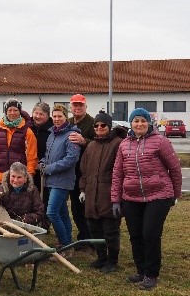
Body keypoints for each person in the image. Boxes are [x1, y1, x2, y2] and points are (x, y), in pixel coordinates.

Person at [111, 108, 182, 290]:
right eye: (136, 121)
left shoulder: (160, 142)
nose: (139, 124)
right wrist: (116, 200)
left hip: (158, 195)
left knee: (150, 234)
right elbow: (118, 174)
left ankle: (151, 274)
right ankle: (141, 270)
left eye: (143, 120)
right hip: (131, 197)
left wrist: (176, 194)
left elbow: (174, 169)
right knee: (135, 235)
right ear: (131, 123)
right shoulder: (124, 145)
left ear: (149, 123)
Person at [79, 111, 127, 273]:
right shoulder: (91, 146)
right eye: (96, 125)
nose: (99, 128)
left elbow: (122, 171)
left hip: (109, 195)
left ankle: (112, 260)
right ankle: (101, 258)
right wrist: (83, 189)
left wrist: (118, 196)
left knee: (110, 230)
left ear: (109, 126)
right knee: (94, 228)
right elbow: (84, 170)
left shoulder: (118, 144)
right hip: (92, 194)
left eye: (103, 125)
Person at [40, 104, 81, 258]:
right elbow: (48, 155)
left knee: (51, 212)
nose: (56, 119)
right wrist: (43, 162)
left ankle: (64, 245)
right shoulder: (52, 135)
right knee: (63, 213)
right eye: (54, 116)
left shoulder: (71, 135)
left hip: (62, 180)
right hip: (50, 179)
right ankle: (67, 243)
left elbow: (71, 159)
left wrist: (50, 168)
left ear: (66, 117)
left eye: (60, 116)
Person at [0, 98, 38, 189]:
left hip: (19, 179)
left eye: (15, 110)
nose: (12, 113)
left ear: (20, 112)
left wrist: (29, 174)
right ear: (6, 112)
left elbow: (32, 156)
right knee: (0, 203)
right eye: (9, 110)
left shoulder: (27, 132)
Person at [68, 93, 96, 246]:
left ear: (86, 107)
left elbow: (100, 144)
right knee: (75, 207)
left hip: (87, 172)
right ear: (70, 107)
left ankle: (91, 238)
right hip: (72, 171)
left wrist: (85, 141)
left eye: (80, 105)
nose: (77, 108)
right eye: (75, 105)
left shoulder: (92, 123)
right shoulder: (68, 122)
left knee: (87, 206)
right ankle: (82, 237)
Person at [0, 162, 48, 227]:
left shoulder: (32, 190)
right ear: (9, 176)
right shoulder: (3, 188)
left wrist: (22, 220)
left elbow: (39, 212)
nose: (15, 180)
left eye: (19, 177)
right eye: (13, 176)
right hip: (5, 224)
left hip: (25, 225)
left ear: (25, 179)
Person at [29, 102, 54, 213]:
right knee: (31, 195)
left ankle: (44, 222)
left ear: (47, 116)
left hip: (45, 169)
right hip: (30, 168)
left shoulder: (52, 130)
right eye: (36, 113)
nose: (38, 116)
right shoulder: (28, 128)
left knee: (45, 197)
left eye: (41, 114)